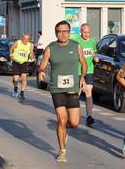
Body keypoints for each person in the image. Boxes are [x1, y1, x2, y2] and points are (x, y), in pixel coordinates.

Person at [38, 20, 87, 163]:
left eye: (65, 31)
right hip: (57, 88)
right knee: (62, 119)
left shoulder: (76, 46)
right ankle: (62, 151)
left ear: (69, 32)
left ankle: (63, 130)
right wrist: (41, 72)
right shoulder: (50, 48)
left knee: (75, 122)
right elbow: (42, 65)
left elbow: (83, 63)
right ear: (56, 33)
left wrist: (83, 77)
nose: (63, 34)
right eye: (59, 31)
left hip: (72, 88)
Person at [73, 23, 99, 127]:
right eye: (84, 32)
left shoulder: (92, 41)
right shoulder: (77, 42)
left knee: (88, 92)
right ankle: (73, 114)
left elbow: (94, 53)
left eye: (88, 32)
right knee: (78, 93)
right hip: (78, 71)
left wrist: (95, 57)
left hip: (89, 70)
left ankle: (89, 116)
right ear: (81, 31)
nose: (86, 34)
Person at [10, 33, 35, 99]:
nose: (25, 41)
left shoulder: (30, 45)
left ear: (29, 39)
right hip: (16, 62)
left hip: (24, 62)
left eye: (27, 39)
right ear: (22, 38)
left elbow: (31, 52)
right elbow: (11, 49)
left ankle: (22, 93)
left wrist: (32, 56)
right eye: (24, 39)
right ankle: (15, 89)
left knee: (24, 78)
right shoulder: (17, 42)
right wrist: (11, 54)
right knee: (15, 79)